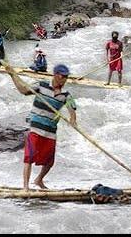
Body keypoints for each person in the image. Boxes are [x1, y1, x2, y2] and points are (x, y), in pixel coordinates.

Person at [7, 63, 78, 191]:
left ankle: (39, 179)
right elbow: (23, 90)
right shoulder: (41, 86)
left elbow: (72, 109)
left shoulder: (66, 95)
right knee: (29, 157)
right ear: (56, 75)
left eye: (66, 77)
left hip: (50, 131)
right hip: (36, 128)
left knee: (49, 161)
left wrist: (73, 120)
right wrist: (12, 75)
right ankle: (26, 186)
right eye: (63, 76)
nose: (65, 79)